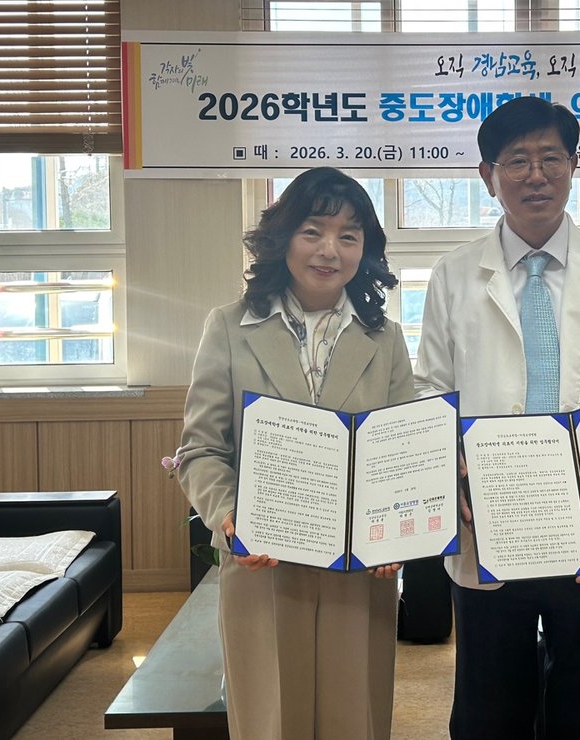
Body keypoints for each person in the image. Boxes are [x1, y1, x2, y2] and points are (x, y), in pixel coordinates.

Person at [414, 95, 580, 738]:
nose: (535, 175)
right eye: (516, 160)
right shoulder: (453, 274)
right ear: (487, 175)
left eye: (551, 158)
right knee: (488, 707)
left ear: (573, 166)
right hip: (488, 518)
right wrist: (449, 466)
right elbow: (431, 391)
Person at [177, 167, 413, 740]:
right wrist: (228, 515)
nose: (330, 250)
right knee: (270, 721)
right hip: (263, 563)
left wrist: (396, 536)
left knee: (354, 719)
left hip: (358, 571)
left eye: (348, 236)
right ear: (283, 238)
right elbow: (201, 449)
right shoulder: (229, 327)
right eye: (313, 231)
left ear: (364, 250)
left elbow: (402, 455)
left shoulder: (385, 339)